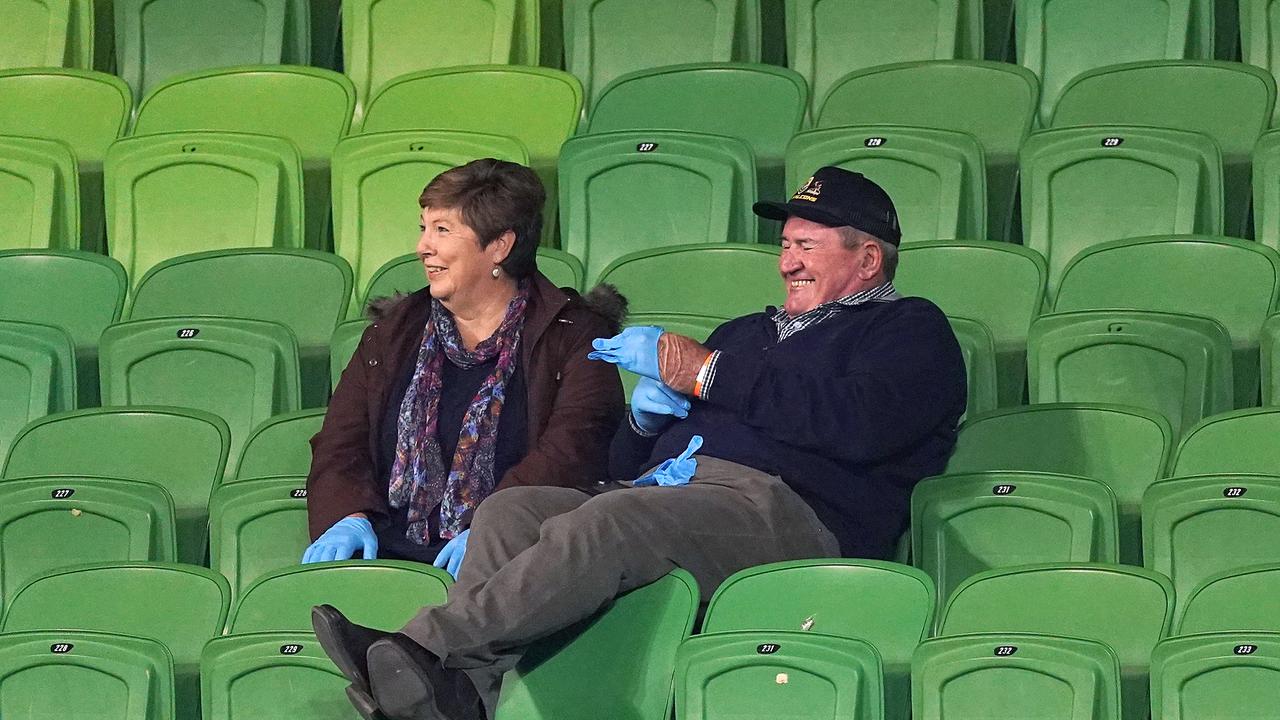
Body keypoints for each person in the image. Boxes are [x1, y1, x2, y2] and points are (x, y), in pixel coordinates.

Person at [311, 166, 968, 720]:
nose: (786, 260)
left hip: (790, 512)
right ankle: (462, 699)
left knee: (617, 519)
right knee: (511, 510)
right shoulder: (743, 330)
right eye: (785, 243)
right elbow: (621, 469)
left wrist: (709, 372)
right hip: (674, 499)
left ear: (869, 258)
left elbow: (857, 423)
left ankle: (423, 646)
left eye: (807, 245)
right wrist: (645, 427)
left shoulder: (911, 330)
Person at [303, 159, 625, 579]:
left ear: (499, 246)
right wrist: (348, 512)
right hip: (381, 551)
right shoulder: (394, 331)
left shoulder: (575, 336)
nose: (423, 246)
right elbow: (340, 440)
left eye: (442, 230)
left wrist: (496, 526)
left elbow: (572, 452)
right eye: (423, 228)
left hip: (512, 561)